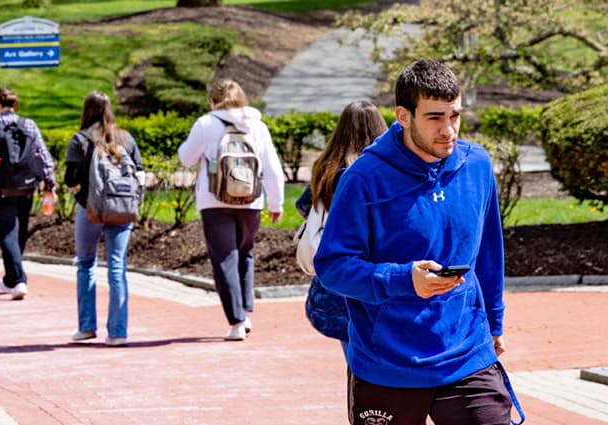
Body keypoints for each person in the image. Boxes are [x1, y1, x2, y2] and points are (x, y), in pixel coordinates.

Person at [313, 60, 515, 424]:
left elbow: (488, 255)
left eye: (454, 116)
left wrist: (495, 323)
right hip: (387, 362)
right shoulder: (363, 178)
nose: (448, 130)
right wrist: (404, 280)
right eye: (435, 118)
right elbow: (332, 265)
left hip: (467, 352)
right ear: (403, 116)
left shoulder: (477, 165)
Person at [176, 78, 286, 341]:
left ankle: (237, 321)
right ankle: (245, 309)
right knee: (245, 252)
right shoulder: (257, 126)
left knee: (224, 258)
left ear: (212, 101)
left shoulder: (206, 123)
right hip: (251, 201)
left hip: (214, 201)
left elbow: (186, 158)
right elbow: (272, 167)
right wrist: (276, 202)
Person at [295, 100, 385, 341]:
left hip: (332, 278)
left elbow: (304, 205)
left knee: (352, 351)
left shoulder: (326, 168)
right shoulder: (382, 171)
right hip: (372, 272)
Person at [64, 91, 144, 347]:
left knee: (86, 264)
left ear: (86, 111)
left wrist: (80, 193)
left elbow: (70, 179)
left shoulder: (81, 139)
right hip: (122, 209)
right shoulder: (126, 138)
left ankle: (87, 327)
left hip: (91, 210)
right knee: (117, 267)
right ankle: (118, 332)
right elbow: (140, 174)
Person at [0, 87, 57, 300]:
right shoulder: (29, 125)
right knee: (19, 234)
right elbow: (44, 156)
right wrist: (50, 185)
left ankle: (19, 280)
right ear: (15, 104)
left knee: (6, 235)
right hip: (26, 186)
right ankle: (11, 279)